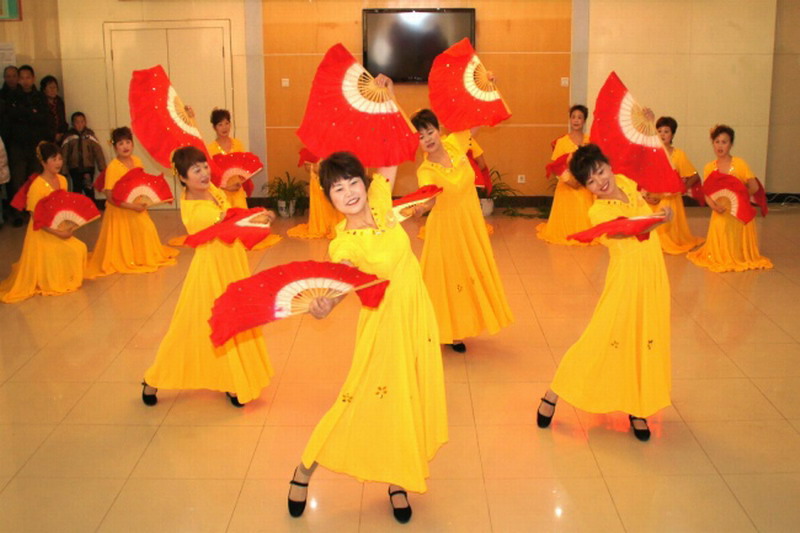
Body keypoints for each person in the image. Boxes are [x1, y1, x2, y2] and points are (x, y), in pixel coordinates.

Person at [287, 77, 447, 524]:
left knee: (407, 397)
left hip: (416, 316)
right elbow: (340, 285)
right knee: (356, 398)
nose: (349, 192)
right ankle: (304, 469)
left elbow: (392, 147)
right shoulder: (343, 244)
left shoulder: (379, 198)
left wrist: (386, 99)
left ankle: (398, 479)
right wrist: (324, 305)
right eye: (338, 189)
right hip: (382, 328)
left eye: (352, 181)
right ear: (329, 199)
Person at [536, 144, 673, 442]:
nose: (601, 181)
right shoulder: (598, 212)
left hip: (652, 274)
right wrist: (658, 219)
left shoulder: (626, 182)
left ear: (609, 166)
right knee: (599, 339)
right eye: (591, 181)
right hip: (626, 281)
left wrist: (660, 207)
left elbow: (647, 197)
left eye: (600, 171)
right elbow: (626, 230)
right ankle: (554, 392)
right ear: (587, 188)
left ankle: (638, 408)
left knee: (644, 339)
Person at [142, 147, 274, 407]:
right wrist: (258, 215)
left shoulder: (211, 189)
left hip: (231, 261)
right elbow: (228, 219)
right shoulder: (193, 210)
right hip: (211, 270)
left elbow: (232, 215)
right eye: (196, 170)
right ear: (182, 177)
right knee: (194, 326)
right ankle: (154, 379)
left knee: (235, 319)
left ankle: (233, 380)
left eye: (204, 166)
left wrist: (255, 218)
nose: (204, 173)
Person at [411, 108, 513, 353]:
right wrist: (420, 208)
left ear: (438, 130)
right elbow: (429, 198)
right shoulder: (426, 170)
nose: (428, 139)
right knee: (449, 278)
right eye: (421, 136)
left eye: (430, 131)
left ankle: (463, 324)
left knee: (471, 272)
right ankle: (448, 331)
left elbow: (477, 118)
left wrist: (485, 93)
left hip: (470, 223)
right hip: (445, 230)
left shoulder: (455, 143)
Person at [85, 126, 178, 278]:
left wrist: (141, 203)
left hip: (136, 207)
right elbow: (110, 196)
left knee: (147, 228)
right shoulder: (114, 167)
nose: (125, 146)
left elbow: (140, 184)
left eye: (128, 142)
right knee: (140, 230)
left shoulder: (137, 161)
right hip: (120, 210)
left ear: (132, 144)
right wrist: (131, 206)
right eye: (120, 143)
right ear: (115, 147)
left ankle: (140, 256)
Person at [0, 142, 87, 303]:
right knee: (69, 250)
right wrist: (58, 233)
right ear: (43, 162)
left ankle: (65, 276)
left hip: (59, 228)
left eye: (60, 158)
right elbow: (36, 217)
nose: (58, 163)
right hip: (42, 232)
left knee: (80, 248)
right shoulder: (37, 186)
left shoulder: (62, 180)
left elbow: (64, 207)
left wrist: (68, 227)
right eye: (53, 159)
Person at [687, 125, 773, 272]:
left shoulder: (740, 164)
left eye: (724, 142)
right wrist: (713, 206)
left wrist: (739, 198)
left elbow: (754, 187)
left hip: (739, 213)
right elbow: (707, 192)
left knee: (736, 244)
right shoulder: (709, 167)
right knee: (719, 233)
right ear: (713, 143)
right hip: (719, 212)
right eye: (717, 142)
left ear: (731, 144)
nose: (720, 146)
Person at [638, 116, 704, 254]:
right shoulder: (650, 153)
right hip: (652, 196)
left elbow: (694, 176)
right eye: (659, 131)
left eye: (666, 131)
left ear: (672, 134)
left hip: (670, 198)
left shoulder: (678, 155)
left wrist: (681, 188)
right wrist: (646, 195)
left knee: (665, 208)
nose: (662, 134)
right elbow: (644, 177)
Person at [536, 105, 596, 245]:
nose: (576, 120)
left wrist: (581, 179)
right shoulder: (562, 142)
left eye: (579, 117)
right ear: (570, 119)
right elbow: (556, 166)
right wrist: (569, 180)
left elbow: (594, 163)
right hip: (566, 184)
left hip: (584, 183)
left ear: (584, 120)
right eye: (573, 117)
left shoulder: (589, 140)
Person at [6, 65, 48, 227]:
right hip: (17, 145)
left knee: (35, 179)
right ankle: (18, 212)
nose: (25, 81)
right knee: (18, 180)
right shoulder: (12, 97)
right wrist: (31, 113)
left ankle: (36, 210)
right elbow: (12, 117)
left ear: (33, 78)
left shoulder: (39, 97)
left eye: (28, 77)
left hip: (35, 145)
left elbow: (43, 119)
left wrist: (27, 114)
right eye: (22, 78)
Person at [286, 151, 343, 239]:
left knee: (328, 206)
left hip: (325, 187)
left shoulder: (330, 156)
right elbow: (311, 170)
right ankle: (326, 226)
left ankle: (330, 225)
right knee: (324, 206)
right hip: (319, 187)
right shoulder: (313, 155)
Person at [206, 108, 248, 209]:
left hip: (238, 191)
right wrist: (226, 187)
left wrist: (241, 181)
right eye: (220, 124)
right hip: (220, 193)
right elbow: (210, 176)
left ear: (230, 124)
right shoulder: (210, 149)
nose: (224, 127)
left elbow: (244, 168)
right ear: (214, 127)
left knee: (242, 217)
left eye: (226, 123)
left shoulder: (238, 144)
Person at [61, 112, 107, 198]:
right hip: (74, 168)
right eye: (77, 122)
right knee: (76, 190)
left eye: (82, 122)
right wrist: (63, 171)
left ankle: (91, 205)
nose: (80, 124)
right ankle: (77, 206)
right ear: (73, 124)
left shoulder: (89, 136)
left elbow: (98, 152)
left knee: (89, 189)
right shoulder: (69, 137)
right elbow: (64, 154)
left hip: (88, 168)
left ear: (85, 122)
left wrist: (102, 168)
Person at [40, 75, 67, 145]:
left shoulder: (60, 102)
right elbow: (41, 125)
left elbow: (63, 120)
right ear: (44, 90)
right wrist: (53, 136)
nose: (53, 90)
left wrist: (62, 133)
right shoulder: (40, 103)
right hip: (45, 138)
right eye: (50, 87)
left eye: (54, 87)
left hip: (60, 137)